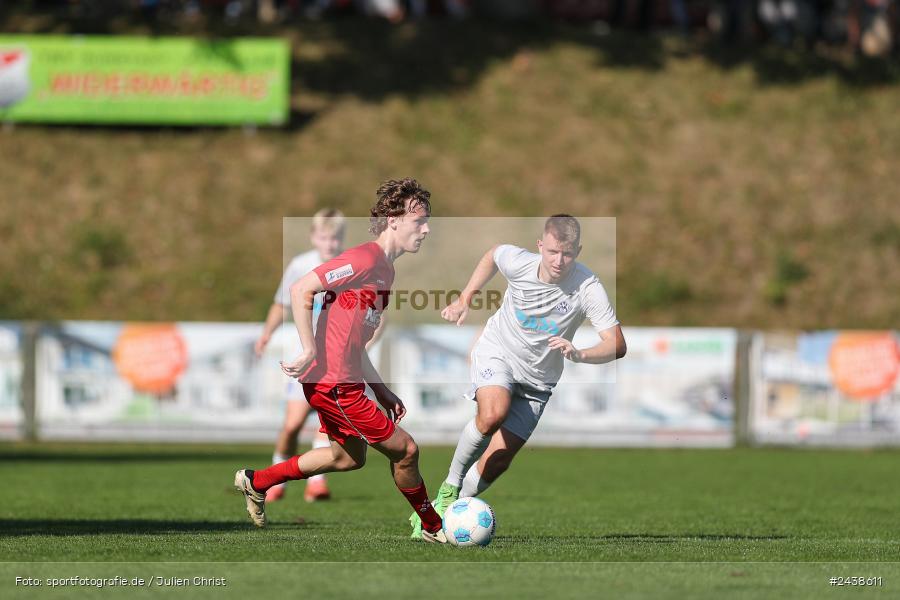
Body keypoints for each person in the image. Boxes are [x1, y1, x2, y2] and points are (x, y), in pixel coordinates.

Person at [235, 178, 449, 543]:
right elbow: (301, 288)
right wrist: (309, 348)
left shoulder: (387, 271)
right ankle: (434, 527)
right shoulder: (365, 258)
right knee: (406, 450)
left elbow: (356, 345)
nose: (426, 229)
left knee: (346, 458)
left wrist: (381, 391)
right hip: (333, 383)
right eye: (419, 221)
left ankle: (257, 481)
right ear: (394, 220)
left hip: (341, 379)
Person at [410, 215, 627, 538]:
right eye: (552, 252)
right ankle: (448, 490)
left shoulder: (587, 287)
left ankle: (443, 517)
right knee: (493, 412)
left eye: (567, 253)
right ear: (540, 246)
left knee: (498, 461)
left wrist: (580, 353)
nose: (559, 261)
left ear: (578, 251)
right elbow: (493, 255)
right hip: (498, 352)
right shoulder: (520, 262)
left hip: (539, 381)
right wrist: (465, 298)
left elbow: (617, 344)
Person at [254, 208, 345, 503]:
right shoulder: (300, 265)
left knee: (326, 421)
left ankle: (317, 483)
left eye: (335, 238)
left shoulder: (350, 266)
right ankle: (276, 477)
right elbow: (281, 302)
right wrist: (267, 333)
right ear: (313, 236)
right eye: (324, 237)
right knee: (292, 423)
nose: (330, 244)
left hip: (337, 359)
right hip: (304, 357)